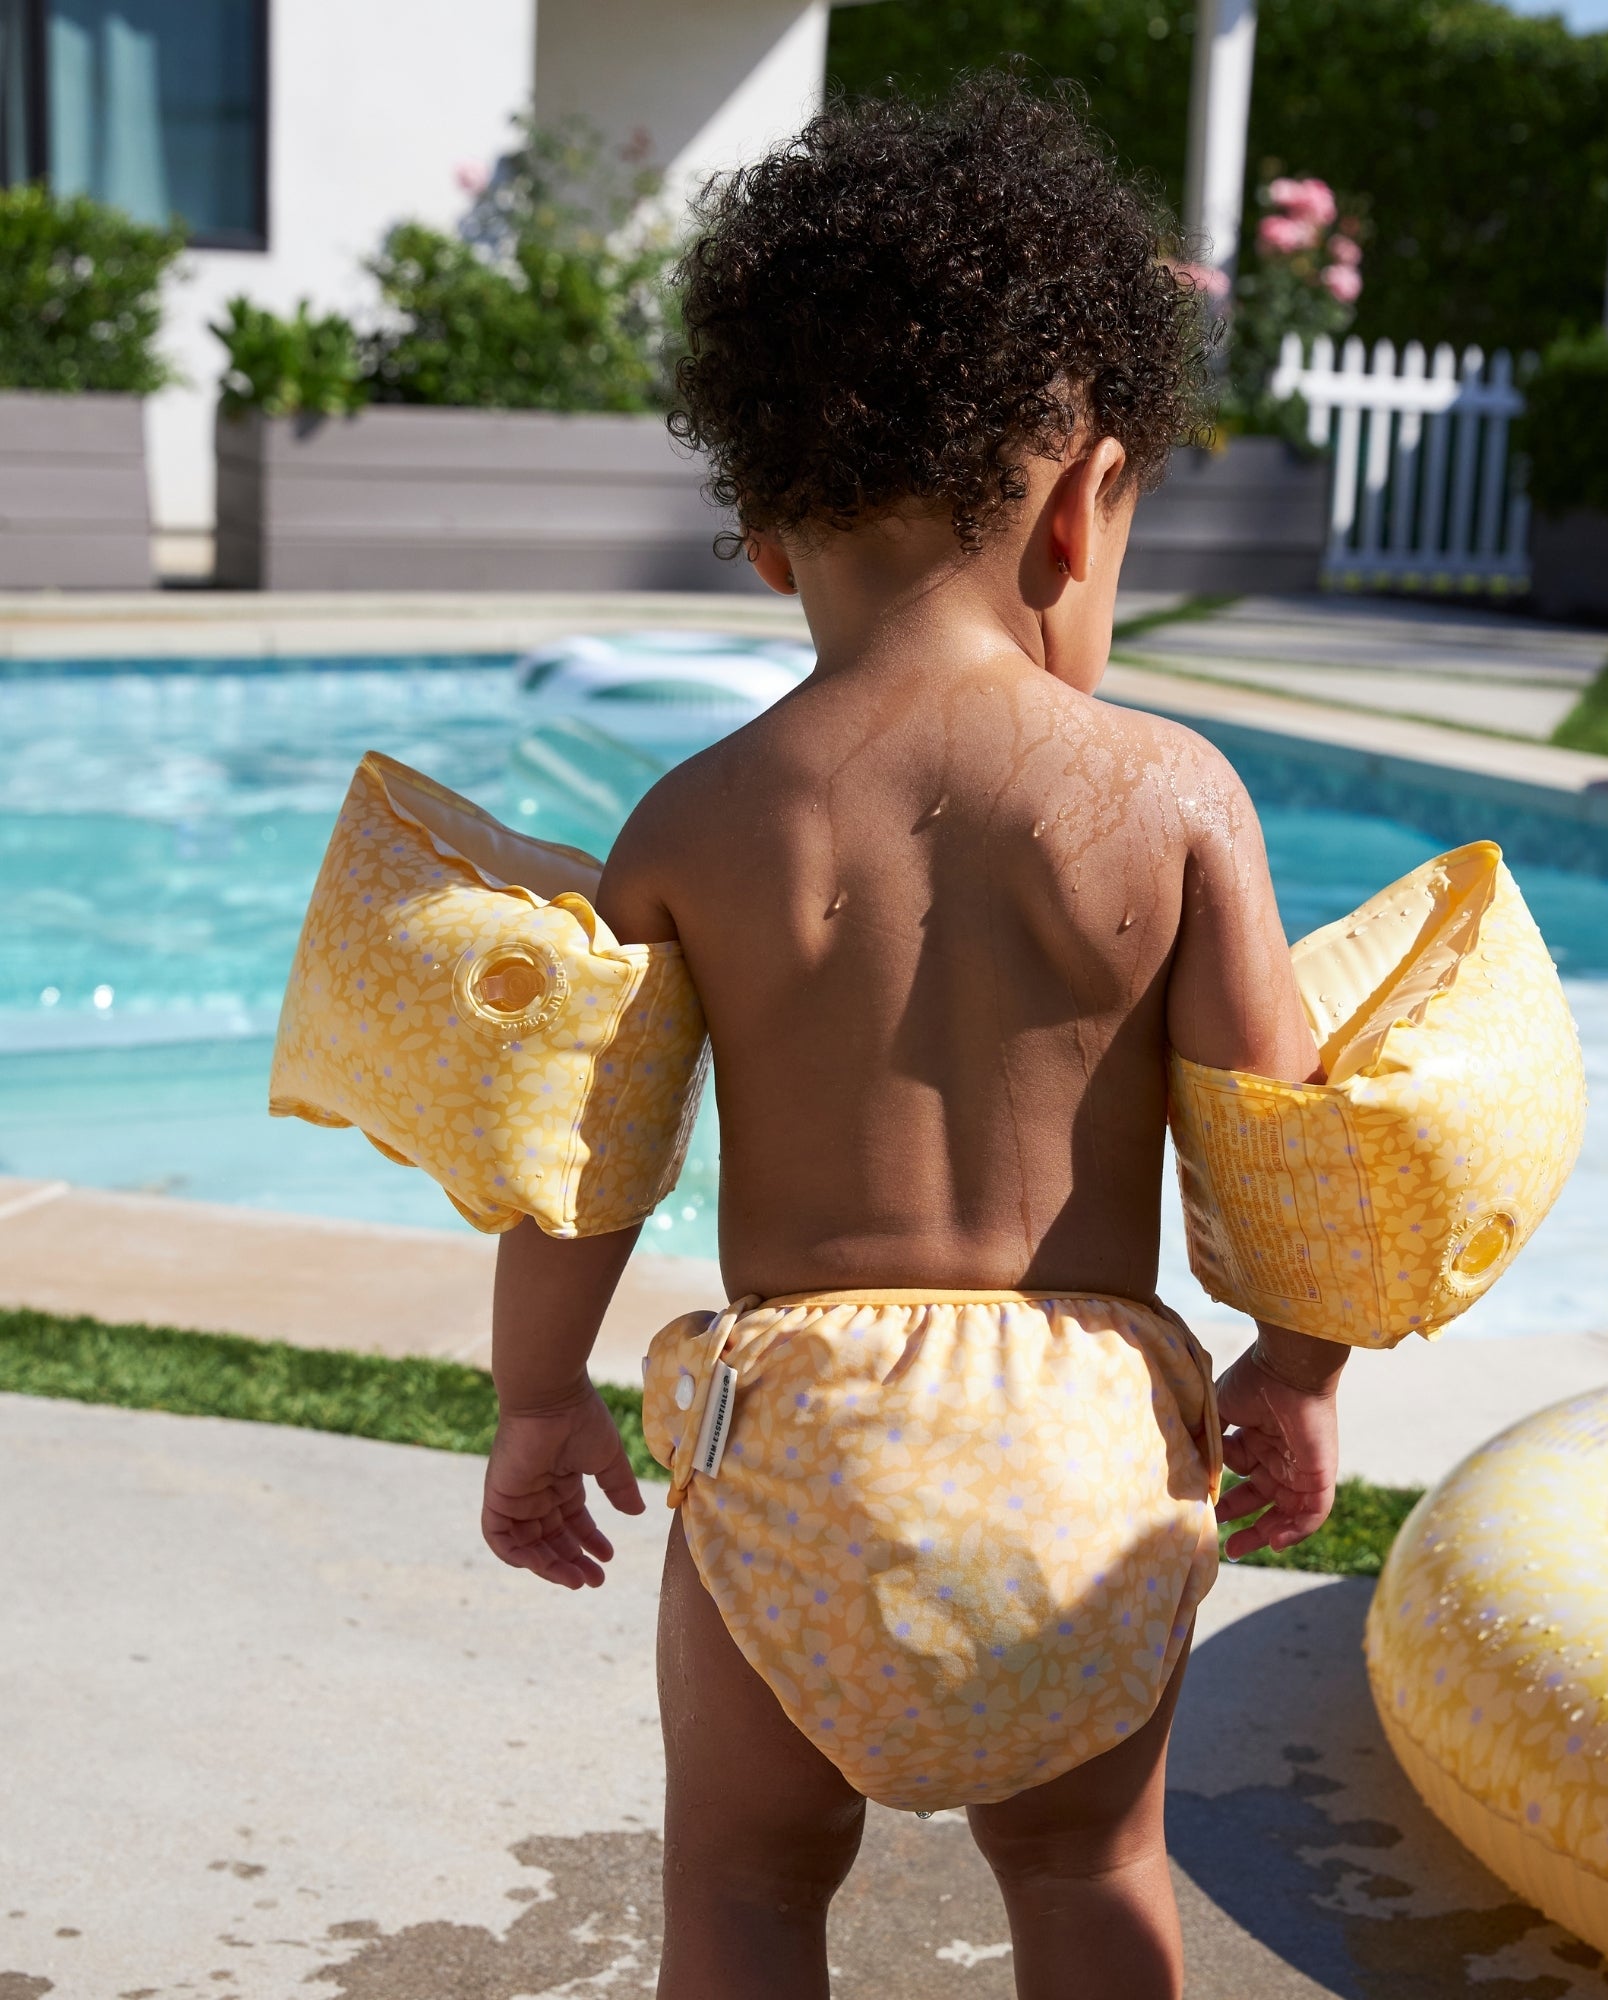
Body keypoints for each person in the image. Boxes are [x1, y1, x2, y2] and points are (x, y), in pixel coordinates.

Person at [476, 76, 1348, 2000]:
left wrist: (537, 1402)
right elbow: (1299, 1144)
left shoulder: (698, 820)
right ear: (1082, 508)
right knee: (1095, 1866)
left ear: (769, 537)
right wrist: (1293, 1365)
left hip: (809, 1456)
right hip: (1086, 1461)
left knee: (744, 1887)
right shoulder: (1176, 796)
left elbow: (580, 1162)